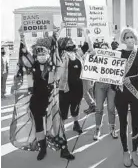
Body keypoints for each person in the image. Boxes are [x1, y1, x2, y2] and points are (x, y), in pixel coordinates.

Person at [10, 26, 74, 161]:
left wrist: (55, 35)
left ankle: (64, 149)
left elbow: (55, 49)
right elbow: (24, 53)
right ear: (36, 56)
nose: (41, 56)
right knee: (39, 125)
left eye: (43, 53)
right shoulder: (32, 66)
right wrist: (21, 36)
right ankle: (42, 148)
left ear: (47, 55)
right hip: (36, 101)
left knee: (57, 124)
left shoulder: (53, 65)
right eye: (38, 54)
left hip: (51, 99)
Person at [113, 27, 138, 167]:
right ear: (123, 39)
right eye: (127, 37)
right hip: (121, 92)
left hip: (135, 92)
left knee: (136, 123)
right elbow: (110, 71)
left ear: (135, 38)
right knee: (123, 124)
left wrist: (132, 78)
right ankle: (125, 151)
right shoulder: (118, 54)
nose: (129, 40)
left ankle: (135, 150)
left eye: (131, 37)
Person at [58, 28, 93, 135]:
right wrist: (59, 31)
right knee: (63, 108)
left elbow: (88, 46)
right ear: (64, 44)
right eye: (69, 42)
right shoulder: (61, 54)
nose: (72, 43)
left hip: (78, 87)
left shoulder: (77, 53)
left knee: (75, 106)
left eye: (72, 41)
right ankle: (61, 127)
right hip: (65, 87)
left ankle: (76, 123)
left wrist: (86, 34)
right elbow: (55, 47)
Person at [93, 42, 118, 141]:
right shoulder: (96, 59)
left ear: (109, 50)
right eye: (102, 48)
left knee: (111, 108)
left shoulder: (114, 60)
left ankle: (112, 128)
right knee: (98, 108)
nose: (104, 50)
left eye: (106, 48)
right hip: (99, 84)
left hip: (111, 85)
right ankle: (97, 128)